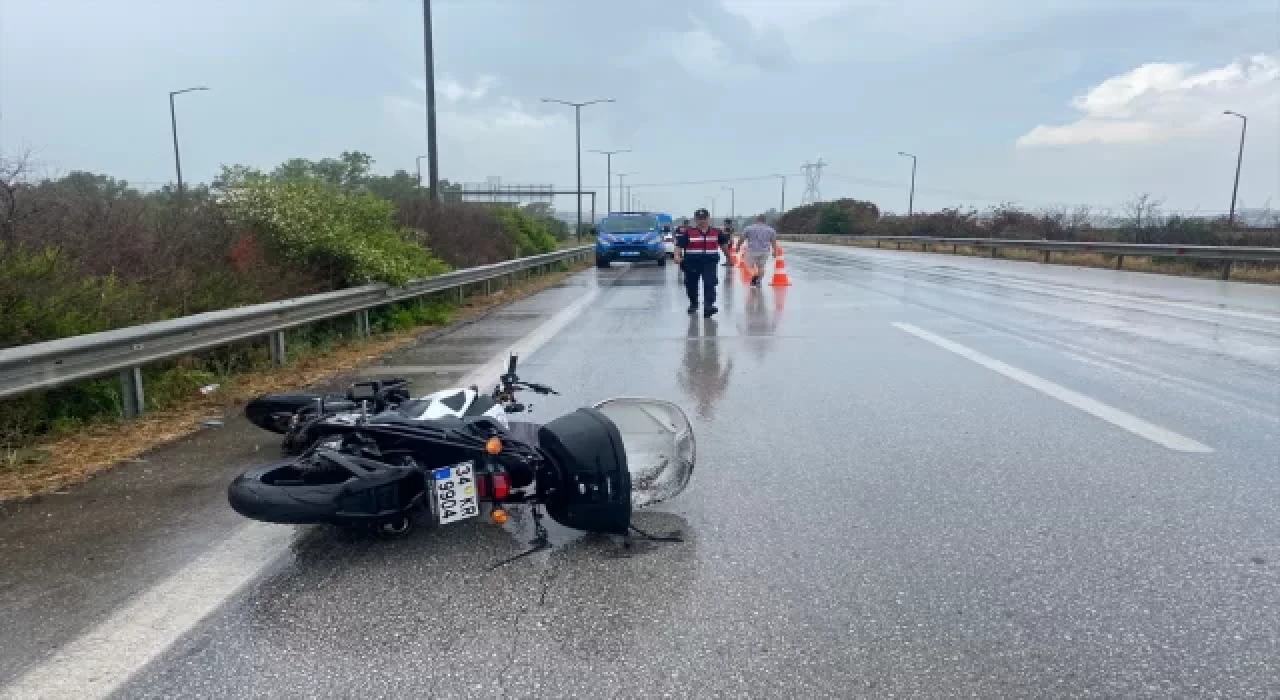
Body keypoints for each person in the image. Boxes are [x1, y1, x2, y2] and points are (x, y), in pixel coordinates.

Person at [674, 208, 730, 317]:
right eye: (700, 219)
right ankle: (694, 303)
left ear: (709, 219)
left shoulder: (716, 232)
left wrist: (729, 257)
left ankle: (708, 306)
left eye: (704, 218)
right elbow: (679, 246)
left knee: (710, 283)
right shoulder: (688, 233)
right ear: (695, 220)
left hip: (709, 262)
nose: (702, 221)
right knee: (691, 285)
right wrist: (677, 255)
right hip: (692, 263)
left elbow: (724, 246)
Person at [739, 214, 779, 287]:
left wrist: (738, 246)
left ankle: (755, 276)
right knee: (761, 267)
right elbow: (773, 242)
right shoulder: (771, 230)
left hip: (752, 250)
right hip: (765, 251)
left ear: (757, 220)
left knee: (749, 266)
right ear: (765, 221)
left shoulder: (749, 228)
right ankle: (758, 281)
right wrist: (775, 251)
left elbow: (742, 238)